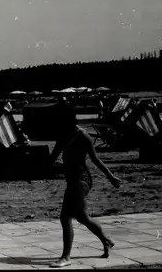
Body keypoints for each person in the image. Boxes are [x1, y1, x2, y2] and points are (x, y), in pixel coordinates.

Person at [49, 104, 121, 268]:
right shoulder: (62, 136)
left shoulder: (83, 136)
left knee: (65, 217)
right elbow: (52, 158)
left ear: (70, 122)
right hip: (72, 180)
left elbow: (96, 160)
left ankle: (65, 257)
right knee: (82, 217)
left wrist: (111, 177)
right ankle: (106, 240)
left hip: (81, 180)